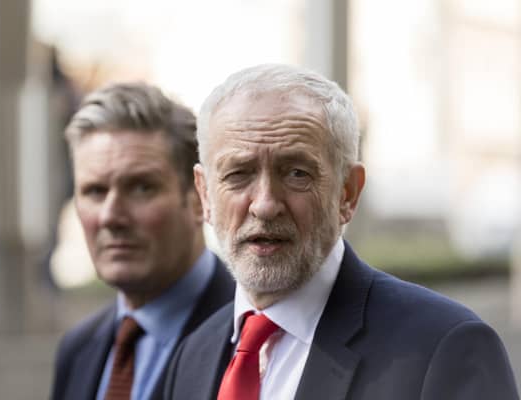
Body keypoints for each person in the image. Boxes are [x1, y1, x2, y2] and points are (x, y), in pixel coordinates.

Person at [163, 64, 519, 400]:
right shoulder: (193, 355)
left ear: (347, 192)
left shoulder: (443, 347)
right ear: (205, 193)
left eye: (297, 173)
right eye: (238, 174)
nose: (265, 204)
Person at [51, 82, 234, 400]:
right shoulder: (77, 349)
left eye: (141, 188)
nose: (110, 216)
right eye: (94, 191)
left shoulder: (251, 343)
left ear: (198, 198)